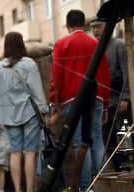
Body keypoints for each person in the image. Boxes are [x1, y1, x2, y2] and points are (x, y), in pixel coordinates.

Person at [50, 10, 110, 191]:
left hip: (71, 99)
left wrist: (55, 101)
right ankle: (104, 182)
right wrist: (105, 104)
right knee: (97, 140)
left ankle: (85, 186)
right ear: (84, 24)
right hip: (97, 97)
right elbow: (105, 75)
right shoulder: (95, 43)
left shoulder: (61, 44)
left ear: (68, 26)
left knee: (80, 143)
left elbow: (56, 74)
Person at [0, 32, 47, 192]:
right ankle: (29, 189)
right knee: (30, 152)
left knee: (14, 152)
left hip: (8, 116)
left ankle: (17, 189)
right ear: (22, 44)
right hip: (29, 113)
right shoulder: (29, 64)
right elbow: (37, 91)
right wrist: (44, 111)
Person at [88, 15, 129, 170]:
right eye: (93, 28)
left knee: (125, 138)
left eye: (98, 26)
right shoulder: (94, 47)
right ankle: (117, 169)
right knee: (107, 141)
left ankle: (129, 168)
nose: (95, 30)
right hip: (102, 103)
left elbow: (128, 74)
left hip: (119, 100)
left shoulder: (119, 45)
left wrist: (125, 98)